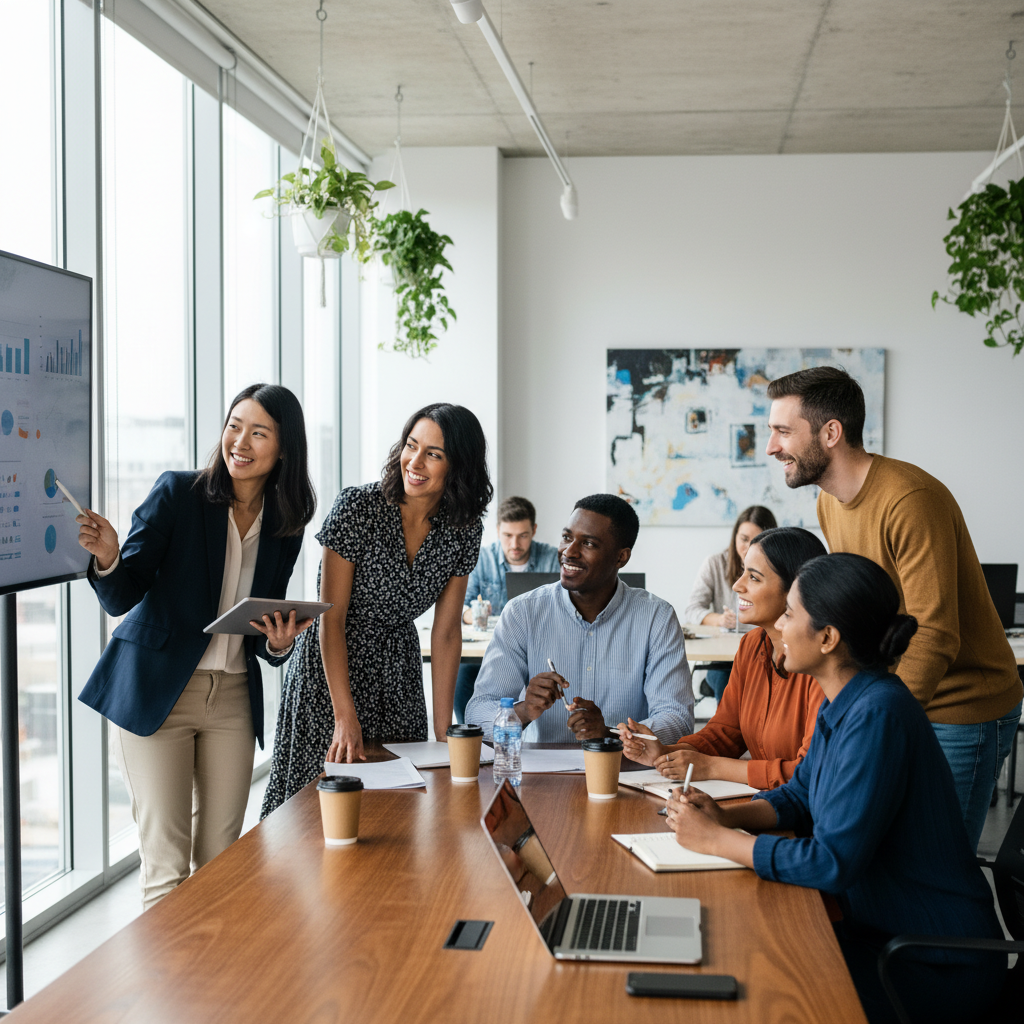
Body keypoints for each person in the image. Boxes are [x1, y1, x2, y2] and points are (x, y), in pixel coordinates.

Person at [665, 553, 1006, 1024]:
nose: (779, 626)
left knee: (758, 989)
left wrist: (718, 840)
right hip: (878, 932)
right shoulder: (845, 699)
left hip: (929, 960)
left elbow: (831, 862)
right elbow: (799, 795)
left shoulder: (878, 715)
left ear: (827, 638)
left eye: (789, 614)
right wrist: (725, 816)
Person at [76, 384, 316, 909]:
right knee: (167, 867)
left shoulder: (285, 523)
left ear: (284, 448)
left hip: (231, 701)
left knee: (222, 865)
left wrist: (278, 644)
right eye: (234, 426)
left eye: (259, 432)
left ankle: (213, 964)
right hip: (157, 693)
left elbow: (263, 629)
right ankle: (168, 968)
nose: (240, 442)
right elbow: (123, 595)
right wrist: (111, 557)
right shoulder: (178, 494)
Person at [766, 365, 1022, 850]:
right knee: (888, 853)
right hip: (900, 696)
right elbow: (859, 611)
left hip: (962, 706)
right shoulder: (829, 502)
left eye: (782, 431)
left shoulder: (910, 499)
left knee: (936, 859)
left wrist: (876, 720)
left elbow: (934, 633)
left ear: (831, 433)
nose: (771, 447)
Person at [260, 403, 491, 816]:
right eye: (411, 446)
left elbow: (446, 632)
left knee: (397, 808)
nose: (414, 462)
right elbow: (332, 619)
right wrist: (344, 716)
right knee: (315, 810)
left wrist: (443, 732)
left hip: (399, 676)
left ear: (459, 466)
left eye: (433, 454)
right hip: (332, 676)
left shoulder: (464, 528)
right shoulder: (358, 507)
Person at [465, 494, 693, 743]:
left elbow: (678, 721)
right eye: (566, 537)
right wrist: (523, 711)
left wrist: (609, 734)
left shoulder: (657, 618)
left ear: (621, 557)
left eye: (589, 544)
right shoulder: (522, 613)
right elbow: (477, 716)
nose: (569, 551)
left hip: (620, 765)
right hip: (541, 767)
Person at [620, 526, 826, 789]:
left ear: (796, 589)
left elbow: (809, 775)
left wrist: (712, 767)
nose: (737, 585)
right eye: (743, 572)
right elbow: (725, 733)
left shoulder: (820, 663)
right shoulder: (752, 645)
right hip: (769, 801)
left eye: (754, 577)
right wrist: (664, 752)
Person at [454, 496, 560, 723]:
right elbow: (461, 607)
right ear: (498, 530)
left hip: (537, 645)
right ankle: (473, 734)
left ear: (534, 530)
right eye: (508, 535)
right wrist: (473, 614)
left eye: (523, 535)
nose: (515, 544)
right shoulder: (482, 558)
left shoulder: (552, 558)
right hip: (488, 647)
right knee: (462, 676)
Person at [682, 504, 777, 702]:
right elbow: (692, 609)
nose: (748, 547)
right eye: (743, 539)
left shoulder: (777, 570)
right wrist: (719, 620)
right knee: (728, 678)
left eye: (756, 541)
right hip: (724, 660)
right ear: (735, 537)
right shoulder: (715, 564)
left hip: (764, 652)